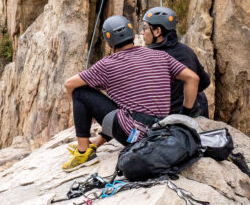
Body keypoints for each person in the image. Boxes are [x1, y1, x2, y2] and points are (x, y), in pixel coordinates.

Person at [60, 15, 200, 171]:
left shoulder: (107, 65)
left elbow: (69, 84)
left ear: (109, 43)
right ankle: (95, 143)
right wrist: (185, 114)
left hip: (133, 135)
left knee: (80, 92)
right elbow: (193, 78)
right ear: (133, 36)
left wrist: (83, 109)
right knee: (125, 110)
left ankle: (83, 152)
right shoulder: (161, 56)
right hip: (159, 129)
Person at [141, 6, 211, 117]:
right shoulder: (186, 51)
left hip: (164, 116)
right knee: (200, 95)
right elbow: (205, 81)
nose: (142, 32)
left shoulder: (148, 57)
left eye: (145, 28)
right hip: (190, 113)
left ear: (158, 31)